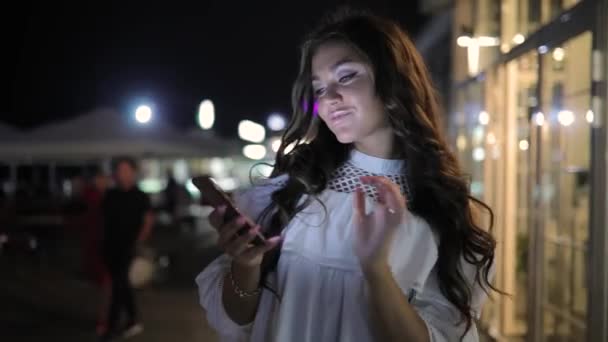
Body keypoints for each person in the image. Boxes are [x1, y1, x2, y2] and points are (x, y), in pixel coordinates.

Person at [196, 9, 500, 342]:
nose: (330, 100)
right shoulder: (292, 189)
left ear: (393, 78)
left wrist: (375, 268)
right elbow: (236, 322)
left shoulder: (446, 215)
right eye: (320, 88)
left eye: (346, 77)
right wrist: (246, 265)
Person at [100, 157, 154, 341]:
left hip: (129, 248)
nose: (122, 174)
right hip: (111, 247)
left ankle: (111, 327)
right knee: (122, 286)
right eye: (119, 170)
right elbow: (104, 220)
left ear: (133, 172)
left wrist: (138, 242)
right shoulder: (110, 194)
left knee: (119, 286)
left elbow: (147, 221)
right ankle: (132, 320)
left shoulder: (140, 196)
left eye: (125, 170)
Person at [81, 170, 111, 335]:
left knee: (104, 285)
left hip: (100, 246)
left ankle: (103, 319)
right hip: (98, 246)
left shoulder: (97, 197)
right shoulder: (94, 198)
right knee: (103, 285)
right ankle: (102, 319)